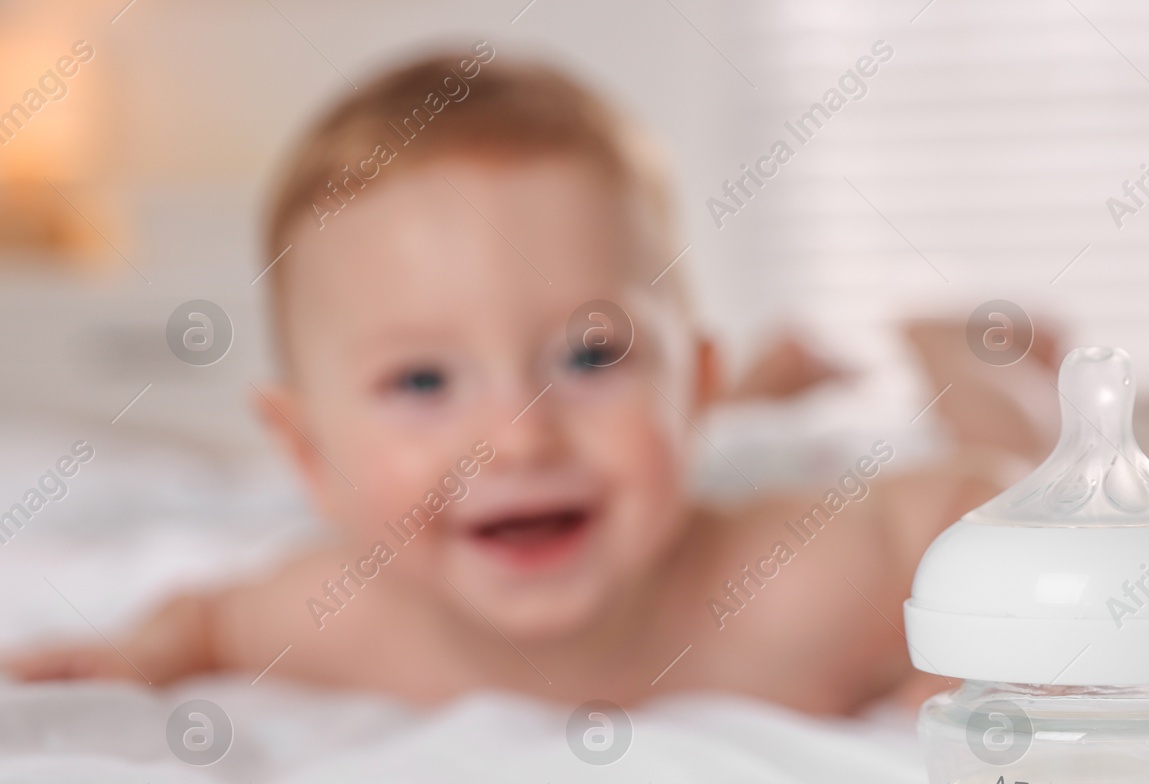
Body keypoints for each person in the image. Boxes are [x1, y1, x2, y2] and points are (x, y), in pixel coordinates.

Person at [4, 47, 1059, 716]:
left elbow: (985, 493)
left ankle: (967, 353)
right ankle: (749, 382)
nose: (516, 439)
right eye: (422, 380)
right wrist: (138, 654)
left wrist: (978, 658)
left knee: (1039, 446)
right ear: (308, 456)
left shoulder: (788, 586)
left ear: (685, 386)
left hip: (754, 463)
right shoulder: (339, 617)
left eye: (591, 353)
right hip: (675, 439)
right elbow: (207, 617)